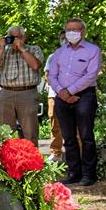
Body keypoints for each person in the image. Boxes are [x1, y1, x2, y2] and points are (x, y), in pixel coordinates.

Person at [47, 18, 102, 186]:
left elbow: (91, 75)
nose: (71, 32)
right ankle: (73, 172)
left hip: (84, 96)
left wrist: (70, 91)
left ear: (82, 32)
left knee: (86, 136)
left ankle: (88, 174)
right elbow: (51, 75)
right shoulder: (59, 53)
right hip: (61, 97)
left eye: (75, 29)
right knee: (68, 138)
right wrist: (62, 92)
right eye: (68, 29)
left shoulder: (93, 50)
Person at [0, 25, 43, 138]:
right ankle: (9, 155)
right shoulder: (4, 52)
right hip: (6, 94)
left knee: (30, 132)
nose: (14, 40)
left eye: (17, 37)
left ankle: (31, 155)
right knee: (6, 133)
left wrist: (22, 49)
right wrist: (1, 49)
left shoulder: (34, 49)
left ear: (23, 37)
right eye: (11, 37)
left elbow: (35, 65)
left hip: (27, 93)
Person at [44, 31, 67, 162]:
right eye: (62, 38)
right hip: (54, 94)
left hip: (73, 94)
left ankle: (75, 153)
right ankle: (56, 153)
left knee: (74, 125)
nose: (65, 40)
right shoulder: (53, 57)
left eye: (67, 38)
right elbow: (47, 75)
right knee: (55, 124)